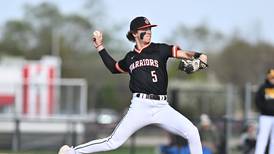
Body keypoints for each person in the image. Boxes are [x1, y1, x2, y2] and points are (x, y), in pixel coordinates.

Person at [58, 16, 208, 154]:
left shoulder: (160, 49)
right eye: (144, 29)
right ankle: (70, 152)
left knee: (192, 131)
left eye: (149, 29)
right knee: (112, 142)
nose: (148, 31)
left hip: (162, 106)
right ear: (134, 33)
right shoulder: (130, 58)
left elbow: (183, 54)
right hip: (140, 106)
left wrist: (198, 55)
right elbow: (114, 67)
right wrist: (100, 47)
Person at [254, 68, 274, 154]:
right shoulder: (263, 88)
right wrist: (265, 109)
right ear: (268, 77)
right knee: (262, 139)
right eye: (272, 77)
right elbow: (258, 100)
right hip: (265, 117)